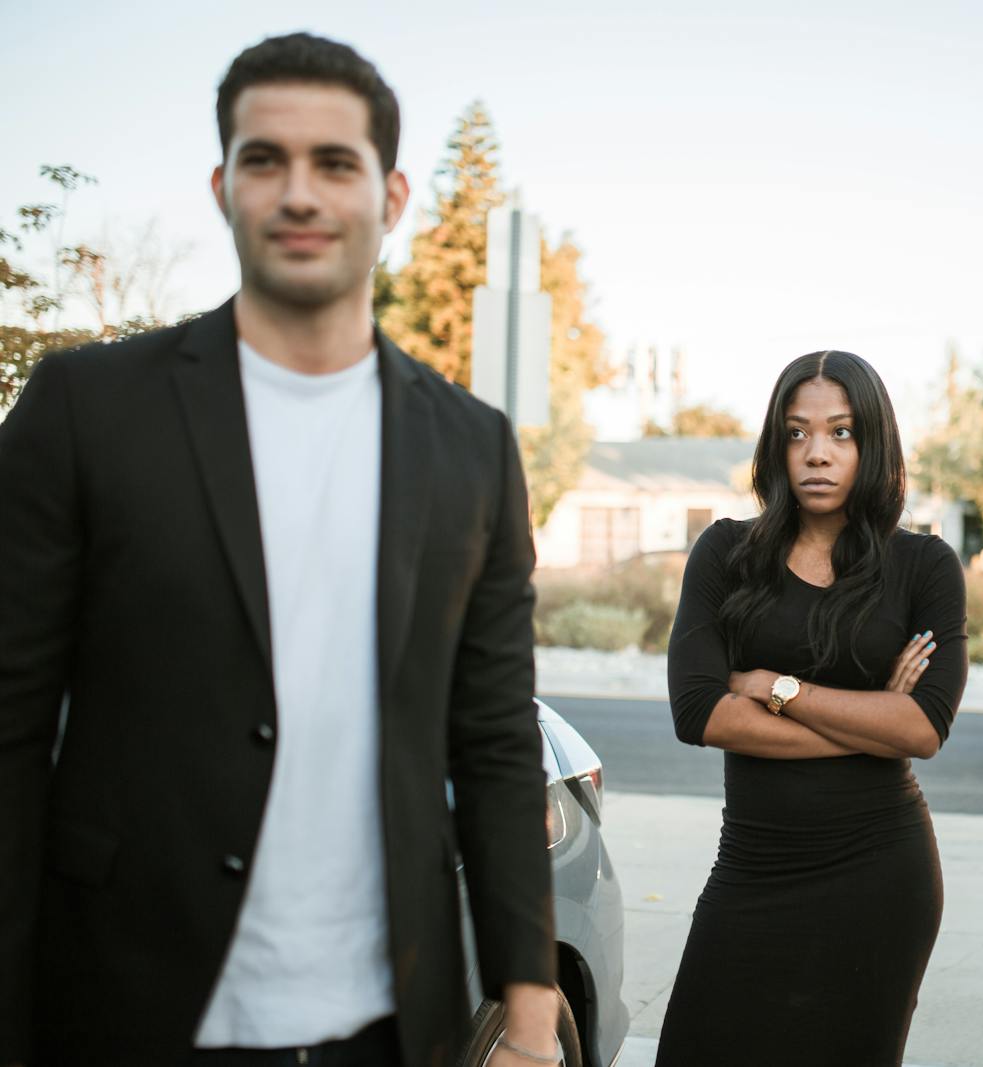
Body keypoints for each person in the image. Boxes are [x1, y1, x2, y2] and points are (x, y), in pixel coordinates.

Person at [0, 32, 562, 1067]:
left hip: (391, 1024)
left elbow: (491, 741)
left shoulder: (472, 445)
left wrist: (528, 1021)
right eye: (266, 160)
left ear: (390, 199)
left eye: (334, 163)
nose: (299, 192)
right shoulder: (87, 410)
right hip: (128, 1009)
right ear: (223, 187)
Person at [655, 350, 968, 1066]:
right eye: (796, 433)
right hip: (752, 869)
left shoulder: (924, 567)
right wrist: (869, 724)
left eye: (841, 432)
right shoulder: (726, 552)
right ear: (775, 445)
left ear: (873, 443)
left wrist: (774, 687)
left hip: (879, 875)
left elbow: (922, 726)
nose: (817, 454)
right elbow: (699, 711)